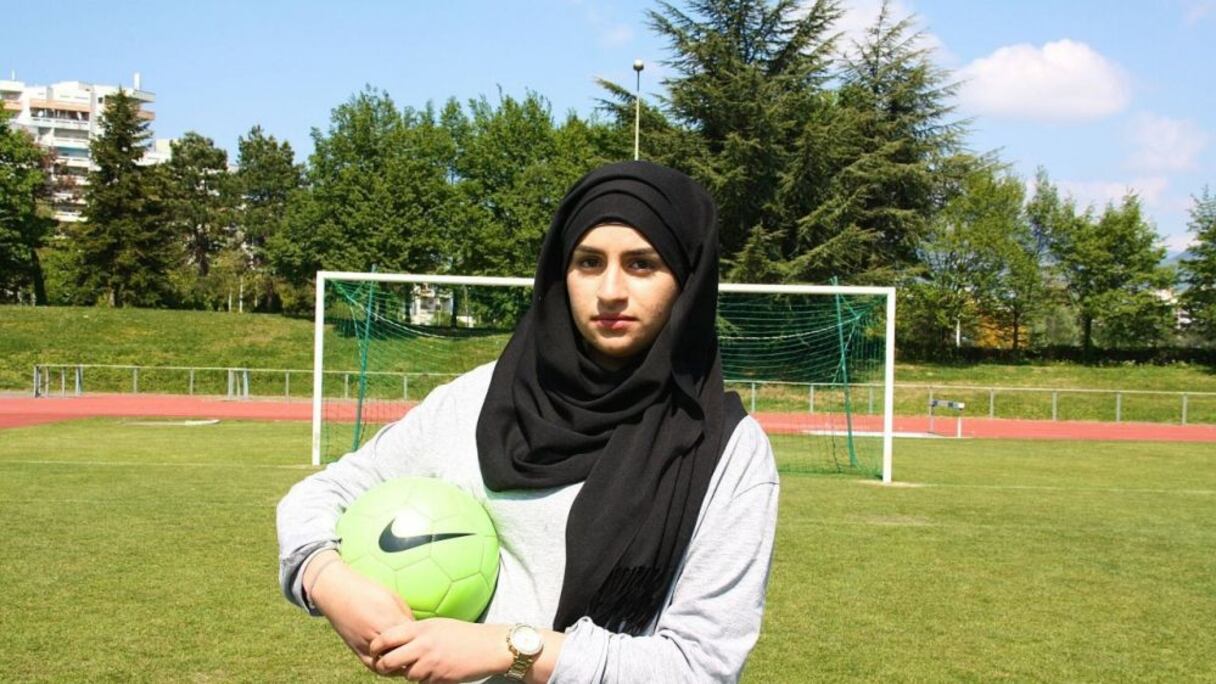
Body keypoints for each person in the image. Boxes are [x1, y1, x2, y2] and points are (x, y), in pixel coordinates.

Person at [277, 161, 779, 683]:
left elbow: (700, 668)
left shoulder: (727, 450)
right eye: (589, 262)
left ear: (687, 279)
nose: (610, 290)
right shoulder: (478, 399)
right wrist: (328, 580)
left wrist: (514, 650)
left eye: (642, 264)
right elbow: (321, 494)